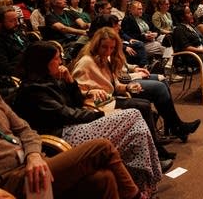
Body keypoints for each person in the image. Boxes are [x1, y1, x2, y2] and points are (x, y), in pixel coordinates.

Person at [12, 42, 166, 195]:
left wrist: (70, 81)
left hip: (74, 126)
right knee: (133, 115)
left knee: (136, 131)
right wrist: (102, 115)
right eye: (57, 58)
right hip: (63, 136)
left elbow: (77, 103)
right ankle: (148, 179)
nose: (61, 62)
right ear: (43, 62)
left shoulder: (51, 79)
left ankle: (143, 187)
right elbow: (67, 114)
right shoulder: (33, 90)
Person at [0, 85, 145, 199]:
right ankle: (136, 196)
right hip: (4, 182)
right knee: (102, 147)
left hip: (32, 163)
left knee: (103, 179)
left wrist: (33, 154)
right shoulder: (33, 89)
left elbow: (25, 129)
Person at [71, 27, 176, 161]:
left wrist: (128, 87)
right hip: (96, 104)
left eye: (112, 48)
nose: (108, 51)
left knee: (144, 104)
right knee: (142, 106)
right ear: (96, 45)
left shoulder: (107, 59)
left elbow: (115, 86)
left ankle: (155, 149)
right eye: (104, 47)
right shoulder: (86, 61)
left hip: (109, 100)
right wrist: (90, 92)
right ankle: (157, 151)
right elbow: (74, 91)